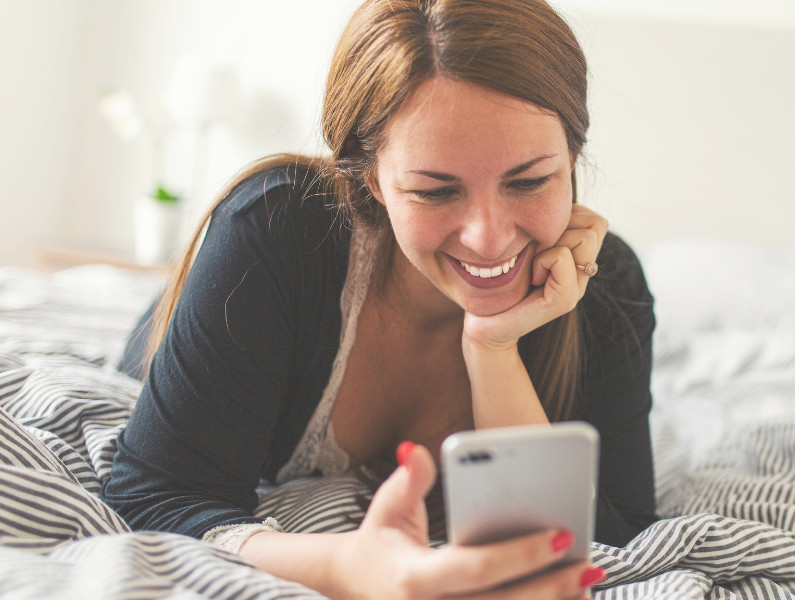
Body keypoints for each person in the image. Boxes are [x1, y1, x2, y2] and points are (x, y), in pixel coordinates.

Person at [99, 0, 658, 597]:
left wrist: (492, 347)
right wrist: (344, 566)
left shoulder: (607, 287)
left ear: (572, 158)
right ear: (372, 181)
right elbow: (156, 493)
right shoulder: (274, 230)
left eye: (529, 181)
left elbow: (606, 542)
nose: (489, 237)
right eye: (435, 192)